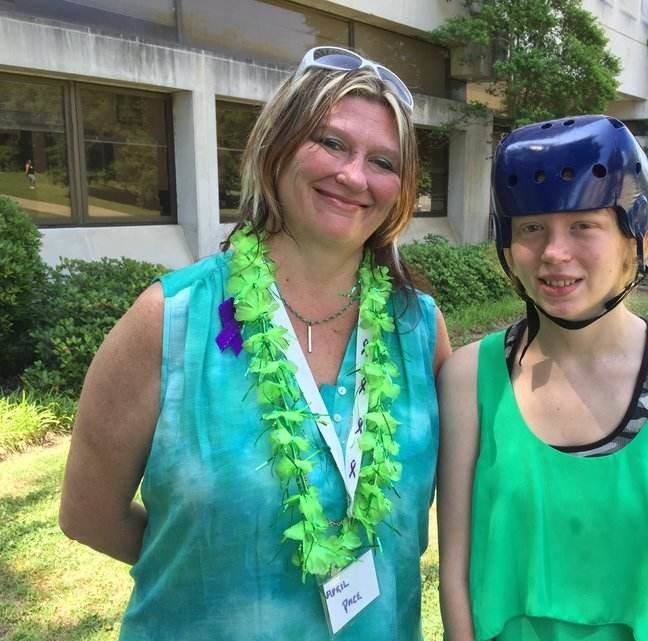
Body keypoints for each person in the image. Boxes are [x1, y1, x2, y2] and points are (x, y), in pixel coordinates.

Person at [60, 46, 451, 640]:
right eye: (331, 142)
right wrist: (210, 575)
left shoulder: (418, 330)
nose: (353, 175)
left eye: (383, 161)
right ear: (277, 146)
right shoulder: (171, 318)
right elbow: (89, 515)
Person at [438, 116, 648, 641]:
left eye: (584, 224)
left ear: (634, 235)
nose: (555, 253)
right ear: (508, 243)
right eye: (532, 227)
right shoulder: (469, 379)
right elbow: (455, 579)